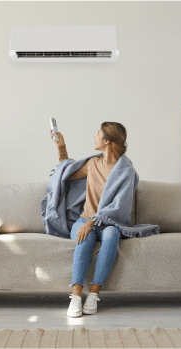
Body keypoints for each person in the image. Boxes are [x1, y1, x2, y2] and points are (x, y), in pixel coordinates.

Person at [49, 122, 130, 318]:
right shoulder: (93, 164)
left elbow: (118, 206)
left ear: (107, 141)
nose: (94, 137)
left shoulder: (126, 170)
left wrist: (91, 222)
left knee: (111, 235)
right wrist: (61, 147)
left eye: (98, 134)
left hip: (110, 222)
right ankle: (76, 295)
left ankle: (94, 294)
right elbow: (65, 174)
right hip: (84, 220)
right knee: (85, 237)